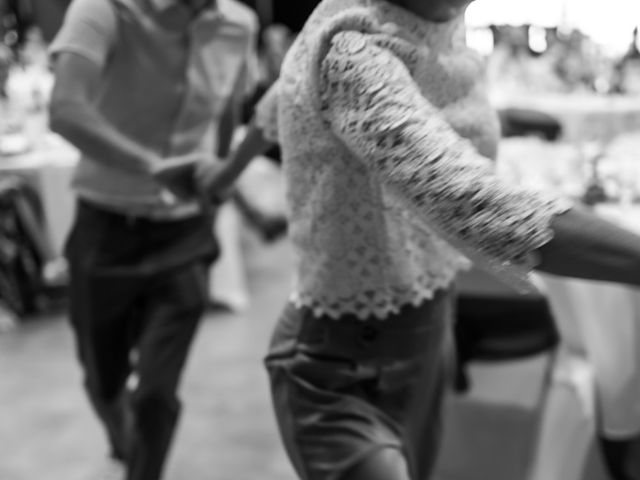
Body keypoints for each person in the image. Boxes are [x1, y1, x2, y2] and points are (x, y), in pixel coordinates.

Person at [202, 1, 640, 479]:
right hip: (341, 368)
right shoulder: (351, 49)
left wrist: (223, 177)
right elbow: (474, 206)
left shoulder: (435, 19)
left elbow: (280, 99)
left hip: (430, 334)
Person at [47, 0, 258, 479]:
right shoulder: (102, 10)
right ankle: (124, 442)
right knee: (103, 381)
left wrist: (221, 174)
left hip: (184, 235)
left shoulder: (239, 24)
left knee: (157, 393)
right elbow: (64, 109)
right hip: (105, 230)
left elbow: (227, 107)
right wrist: (152, 166)